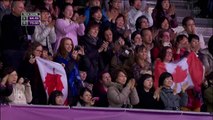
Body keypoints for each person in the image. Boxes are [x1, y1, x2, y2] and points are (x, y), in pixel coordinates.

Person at [1, 1, 34, 69]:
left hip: (23, 50)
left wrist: (27, 18)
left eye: (23, 8)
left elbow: (31, 31)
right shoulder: (6, 18)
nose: (23, 10)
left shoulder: (23, 18)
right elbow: (16, 30)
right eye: (20, 7)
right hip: (11, 50)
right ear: (13, 9)